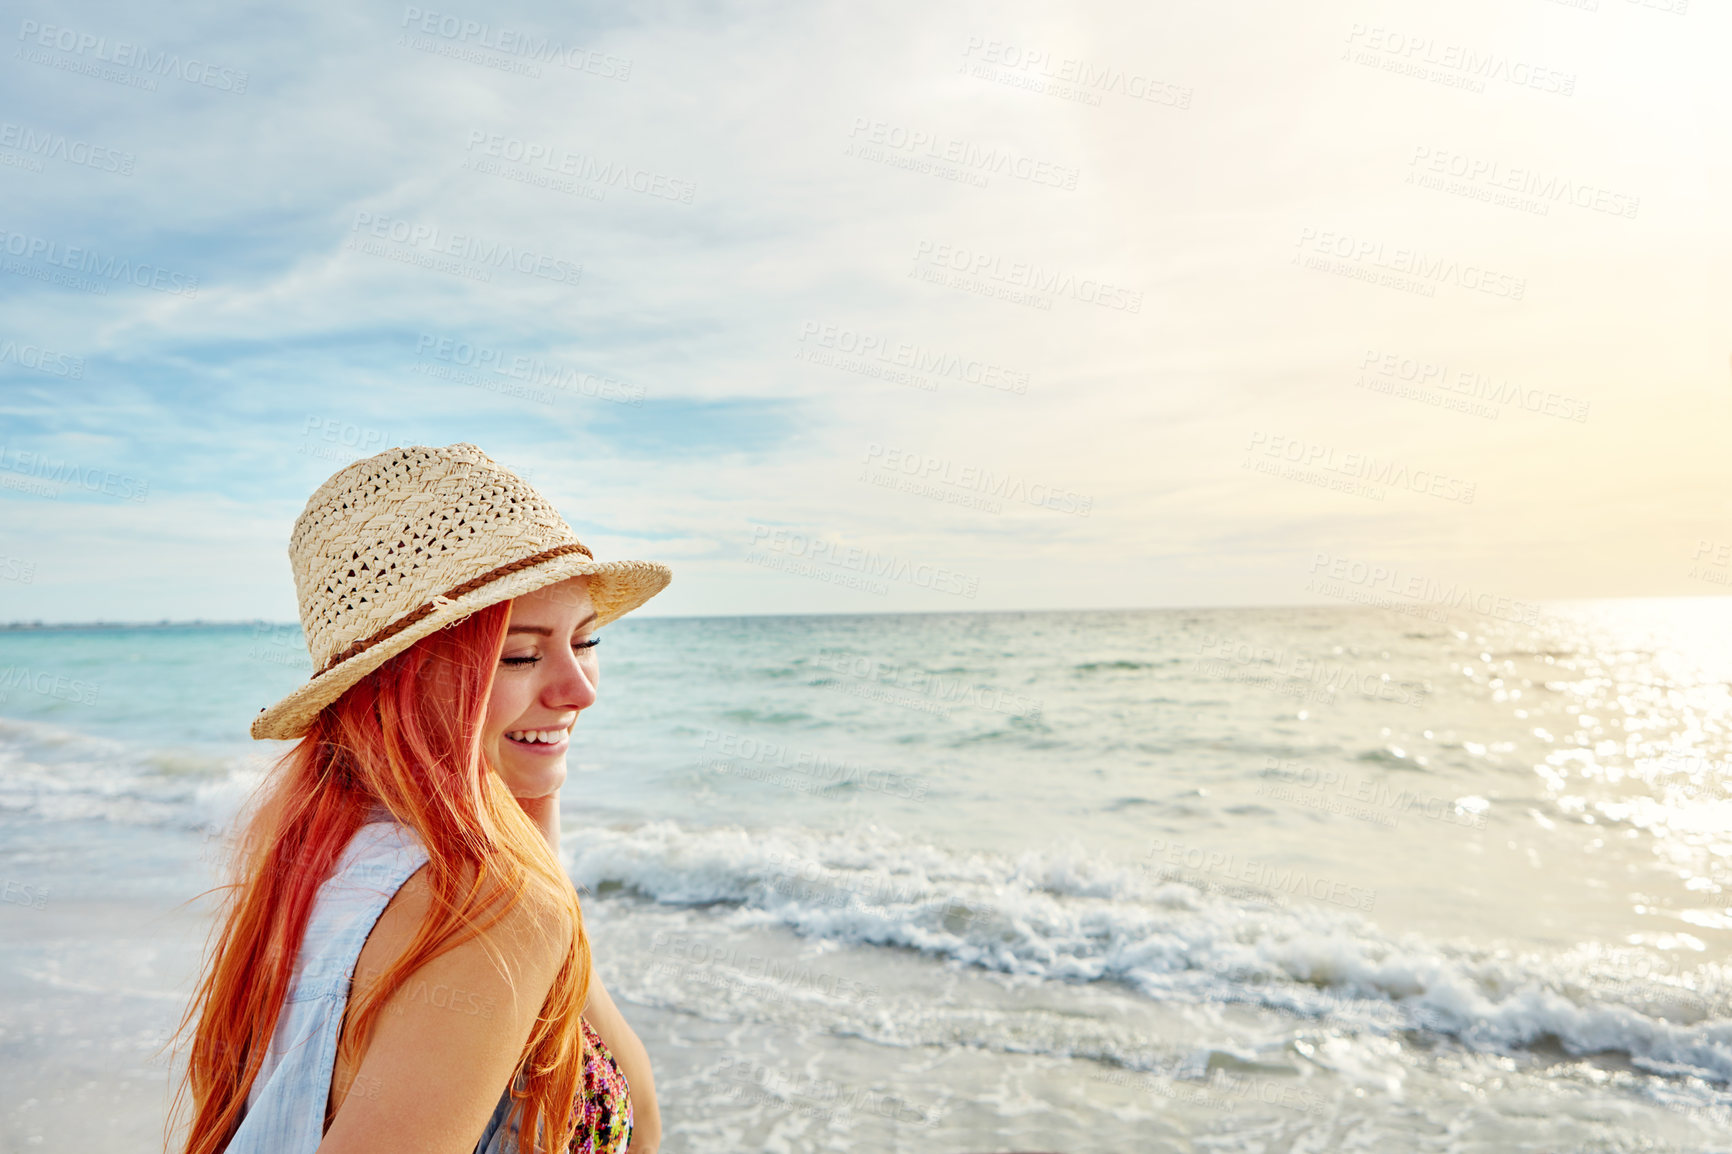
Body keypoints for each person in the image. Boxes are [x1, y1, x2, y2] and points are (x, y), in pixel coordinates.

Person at [169, 442, 670, 1153]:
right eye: (520, 655)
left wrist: (531, 836)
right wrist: (527, 886)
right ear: (396, 682)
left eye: (585, 641)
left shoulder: (323, 856)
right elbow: (642, 1131)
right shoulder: (488, 911)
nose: (580, 690)